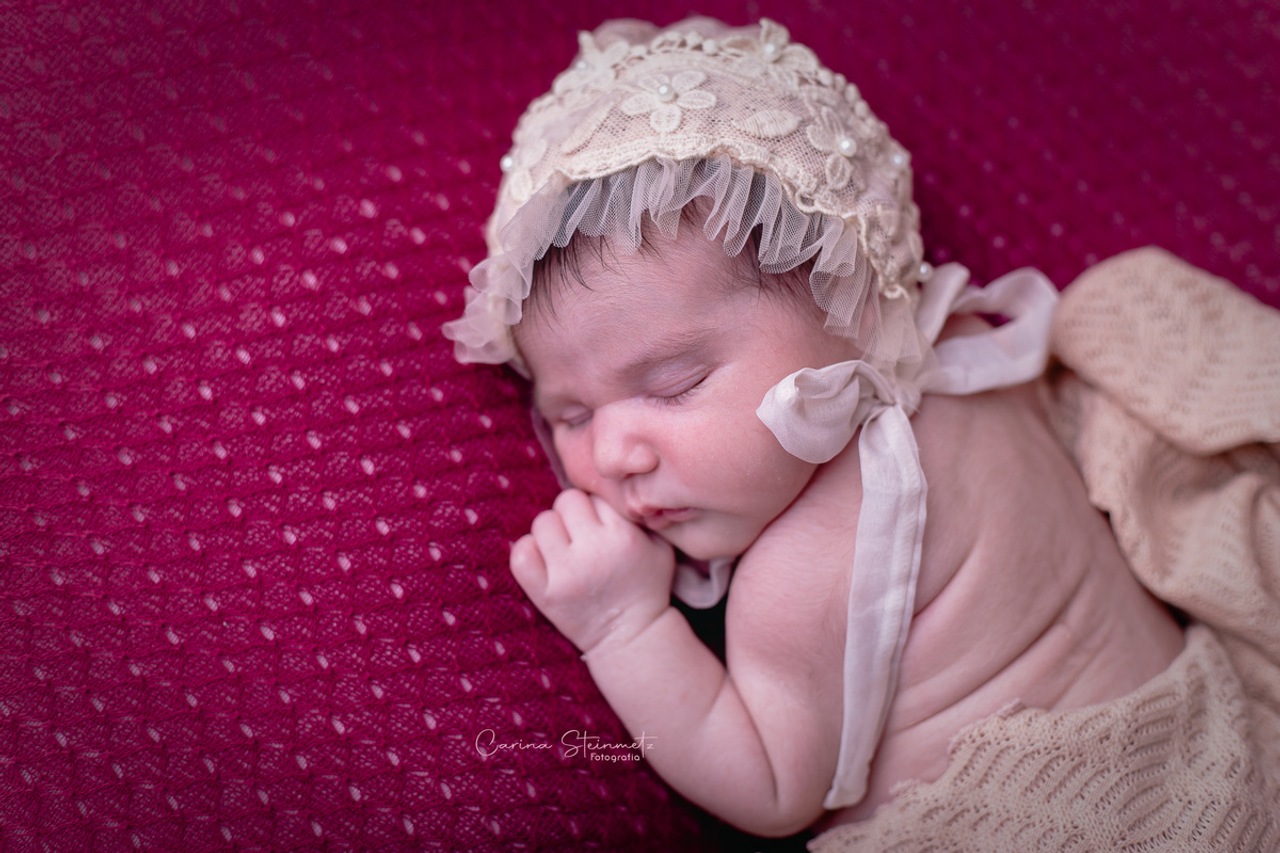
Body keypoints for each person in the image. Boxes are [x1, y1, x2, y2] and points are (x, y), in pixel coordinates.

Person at [444, 16, 1280, 850]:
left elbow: (771, 791)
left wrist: (623, 626)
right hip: (1215, 753)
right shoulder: (978, 358)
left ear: (851, 306)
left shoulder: (804, 565)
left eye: (674, 386)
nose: (612, 454)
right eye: (571, 416)